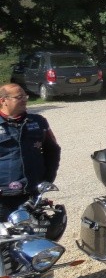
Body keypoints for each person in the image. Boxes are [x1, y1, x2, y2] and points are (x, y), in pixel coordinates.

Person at [0, 84, 61, 221]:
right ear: (3, 100)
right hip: (3, 197)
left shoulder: (38, 122)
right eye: (19, 97)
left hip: (31, 195)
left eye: (25, 96)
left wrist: (47, 179)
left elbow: (53, 151)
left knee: (33, 237)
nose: (24, 100)